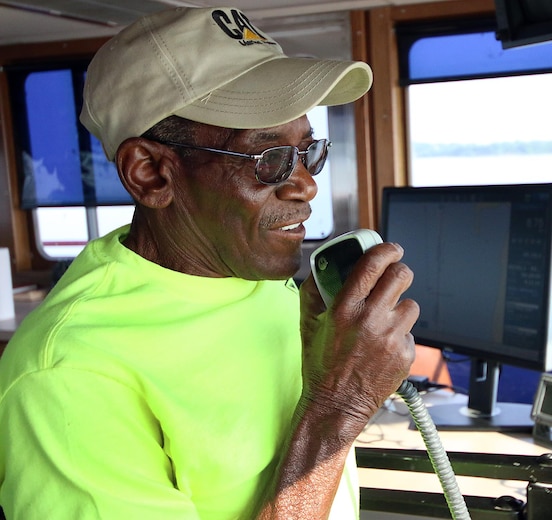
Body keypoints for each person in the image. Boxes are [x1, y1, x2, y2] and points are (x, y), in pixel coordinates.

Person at [0, 6, 419, 520]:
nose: (307, 184)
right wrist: (339, 405)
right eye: (269, 160)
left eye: (309, 151)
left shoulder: (254, 273)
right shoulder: (71, 373)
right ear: (151, 173)